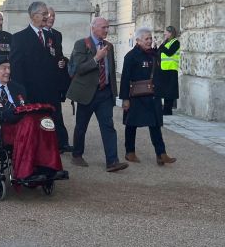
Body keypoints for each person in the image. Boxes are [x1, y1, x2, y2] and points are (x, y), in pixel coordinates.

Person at [0, 55, 67, 181]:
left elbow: (26, 106)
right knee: (30, 123)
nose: (8, 72)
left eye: (9, 68)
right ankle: (26, 172)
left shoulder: (17, 87)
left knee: (44, 120)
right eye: (4, 68)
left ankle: (48, 167)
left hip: (22, 124)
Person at [66, 17, 128, 172]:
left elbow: (111, 71)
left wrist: (114, 92)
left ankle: (112, 161)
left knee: (108, 126)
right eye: (103, 27)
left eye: (107, 27)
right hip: (87, 93)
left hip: (104, 93)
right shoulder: (82, 44)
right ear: (93, 28)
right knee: (81, 126)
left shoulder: (109, 46)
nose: (106, 30)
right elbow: (79, 68)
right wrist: (96, 58)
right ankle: (77, 154)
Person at [120, 27, 177, 165]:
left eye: (150, 38)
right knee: (131, 124)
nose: (149, 41)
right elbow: (125, 79)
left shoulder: (154, 54)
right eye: (146, 39)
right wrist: (125, 99)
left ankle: (161, 154)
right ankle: (130, 152)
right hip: (136, 96)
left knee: (155, 124)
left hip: (153, 95)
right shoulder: (131, 56)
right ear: (138, 40)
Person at [43, 6, 72, 151]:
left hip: (55, 80)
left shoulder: (57, 34)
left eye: (53, 16)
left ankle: (62, 142)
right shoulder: (38, 34)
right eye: (49, 15)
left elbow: (58, 54)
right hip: (42, 80)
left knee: (57, 113)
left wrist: (62, 61)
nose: (52, 18)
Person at [155, 25, 181, 115]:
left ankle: (168, 110)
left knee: (170, 91)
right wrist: (156, 48)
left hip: (171, 69)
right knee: (165, 90)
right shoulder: (165, 42)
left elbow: (169, 53)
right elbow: (159, 52)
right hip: (163, 69)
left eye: (166, 32)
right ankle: (165, 109)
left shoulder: (176, 42)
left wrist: (162, 46)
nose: (164, 34)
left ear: (170, 33)